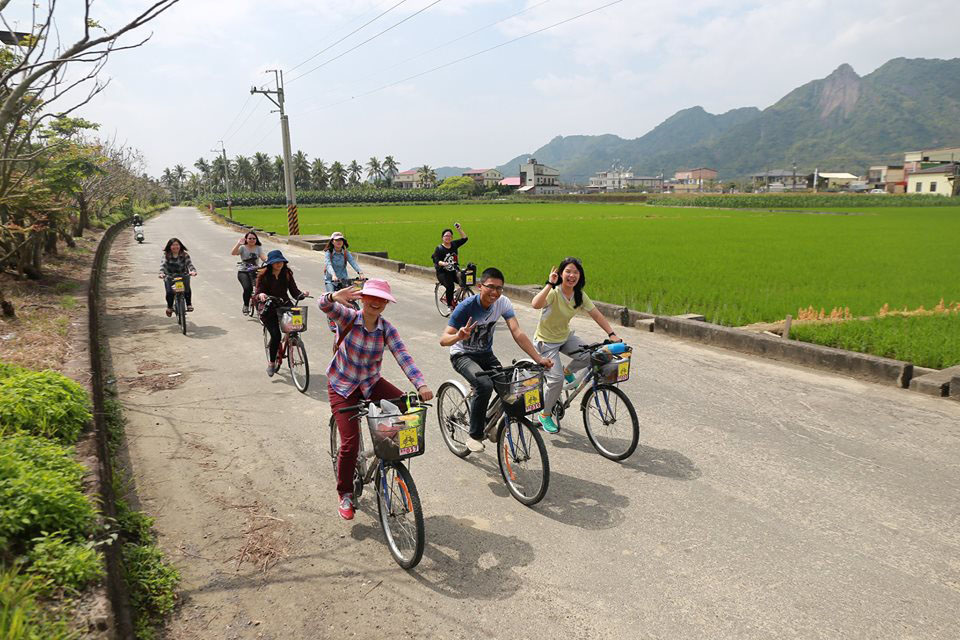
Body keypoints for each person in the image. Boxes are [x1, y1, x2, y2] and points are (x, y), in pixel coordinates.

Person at [320, 279, 433, 520]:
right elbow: (324, 305)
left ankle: (389, 455)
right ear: (362, 298)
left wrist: (420, 384)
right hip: (343, 386)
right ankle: (346, 494)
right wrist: (332, 297)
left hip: (371, 383)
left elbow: (404, 356)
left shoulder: (387, 329)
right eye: (372, 297)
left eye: (382, 299)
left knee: (406, 405)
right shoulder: (348, 317)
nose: (376, 303)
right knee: (350, 444)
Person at [440, 267, 553, 452]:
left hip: (485, 354)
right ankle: (474, 435)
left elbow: (517, 332)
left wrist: (538, 358)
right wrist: (459, 336)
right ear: (479, 286)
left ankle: (490, 422)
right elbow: (443, 340)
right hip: (462, 354)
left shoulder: (503, 303)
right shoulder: (466, 307)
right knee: (484, 385)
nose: (495, 292)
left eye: (499, 288)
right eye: (490, 287)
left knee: (509, 385)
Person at [531, 257, 621, 433]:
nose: (572, 275)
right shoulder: (554, 292)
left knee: (593, 355)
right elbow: (535, 304)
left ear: (580, 276)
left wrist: (611, 333)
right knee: (555, 380)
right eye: (568, 271)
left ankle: (567, 371)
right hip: (546, 342)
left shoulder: (579, 295)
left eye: (576, 272)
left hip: (564, 337)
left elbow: (596, 314)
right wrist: (549, 283)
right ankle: (545, 414)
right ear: (561, 274)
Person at [255, 250, 309, 377]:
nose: (279, 264)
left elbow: (294, 291)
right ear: (270, 264)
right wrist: (261, 295)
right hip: (269, 307)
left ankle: (291, 340)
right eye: (276, 262)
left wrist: (302, 294)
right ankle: (272, 363)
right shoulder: (263, 276)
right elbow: (257, 293)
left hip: (284, 305)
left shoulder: (287, 273)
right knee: (276, 336)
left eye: (281, 262)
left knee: (295, 328)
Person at [431, 223, 468, 309]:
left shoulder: (454, 244)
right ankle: (450, 306)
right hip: (443, 272)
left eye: (450, 236)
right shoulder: (439, 248)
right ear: (442, 237)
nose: (448, 237)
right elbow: (436, 260)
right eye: (446, 236)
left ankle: (455, 296)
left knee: (464, 282)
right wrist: (443, 263)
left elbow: (465, 239)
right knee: (450, 286)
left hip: (454, 270)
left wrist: (459, 229)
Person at [159, 238, 197, 316]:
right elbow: (163, 265)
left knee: (187, 289)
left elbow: (189, 264)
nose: (175, 247)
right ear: (169, 246)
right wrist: (161, 273)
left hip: (183, 275)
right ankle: (169, 307)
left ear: (180, 246)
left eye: (177, 245)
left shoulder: (185, 255)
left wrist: (193, 271)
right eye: (173, 245)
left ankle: (189, 304)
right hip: (170, 276)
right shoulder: (166, 255)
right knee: (170, 292)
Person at [231, 231, 267, 314]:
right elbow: (233, 253)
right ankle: (246, 305)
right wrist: (239, 244)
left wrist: (270, 261)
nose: (252, 240)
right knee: (248, 288)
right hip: (243, 271)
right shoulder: (243, 247)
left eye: (254, 238)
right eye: (250, 238)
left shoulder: (258, 247)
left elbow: (263, 257)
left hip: (255, 271)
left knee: (262, 287)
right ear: (246, 239)